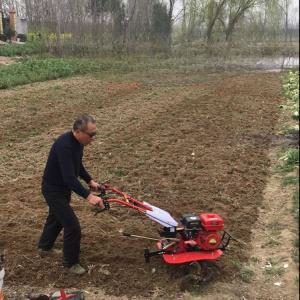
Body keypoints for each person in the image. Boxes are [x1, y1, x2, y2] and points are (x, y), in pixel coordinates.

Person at [38, 114, 104, 275]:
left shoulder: (78, 143)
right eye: (91, 135)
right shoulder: (64, 145)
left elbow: (77, 165)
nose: (93, 138)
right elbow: (69, 178)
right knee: (72, 226)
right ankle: (71, 262)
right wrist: (89, 196)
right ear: (77, 131)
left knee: (56, 218)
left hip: (61, 188)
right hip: (53, 189)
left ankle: (44, 247)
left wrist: (90, 181)